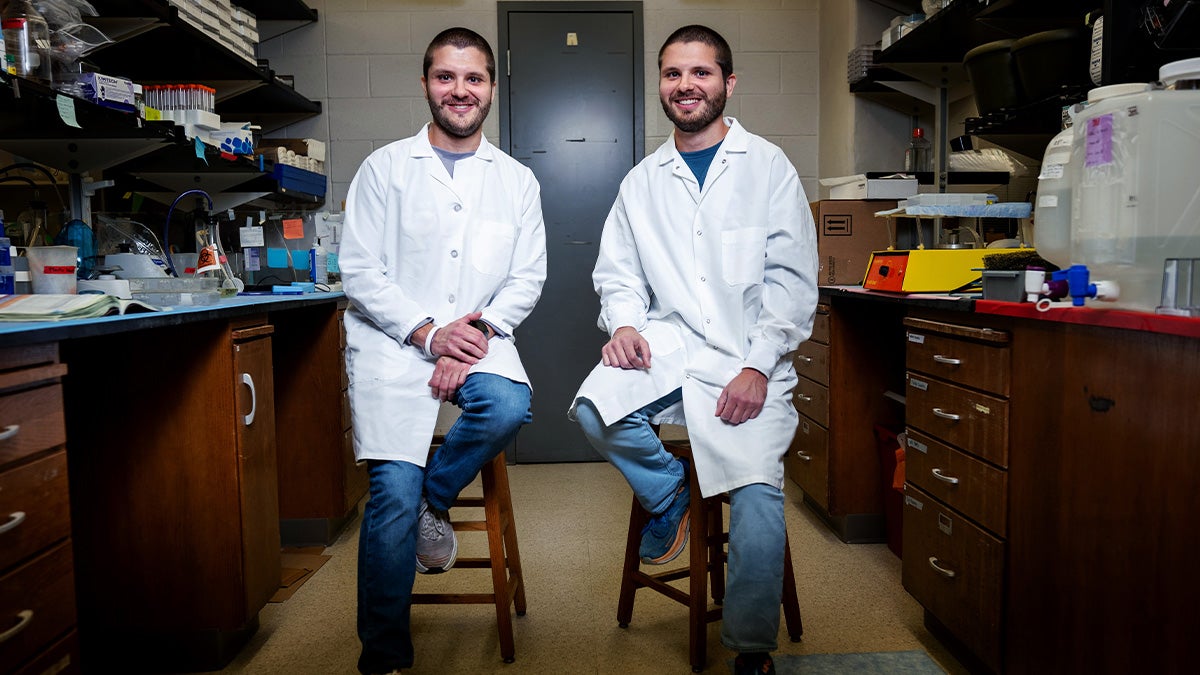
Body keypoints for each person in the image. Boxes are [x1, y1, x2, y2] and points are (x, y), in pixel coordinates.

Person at [571, 25, 818, 675]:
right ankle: (671, 495)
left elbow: (792, 285)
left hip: (748, 351)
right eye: (673, 73)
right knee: (595, 408)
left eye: (701, 73)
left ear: (727, 84)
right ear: (660, 83)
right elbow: (618, 271)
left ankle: (750, 648)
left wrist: (757, 366)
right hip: (673, 341)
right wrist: (624, 324)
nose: (686, 85)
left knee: (757, 490)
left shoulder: (767, 168)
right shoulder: (642, 180)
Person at [339, 27, 547, 675]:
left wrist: (473, 334)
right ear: (427, 83)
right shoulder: (385, 169)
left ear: (491, 87)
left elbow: (527, 276)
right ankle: (384, 657)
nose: (460, 90)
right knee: (390, 495)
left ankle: (436, 502)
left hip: (478, 341)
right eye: (445, 77)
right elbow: (361, 270)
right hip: (394, 345)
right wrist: (430, 333)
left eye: (473, 78)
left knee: (508, 403)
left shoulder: (515, 180)